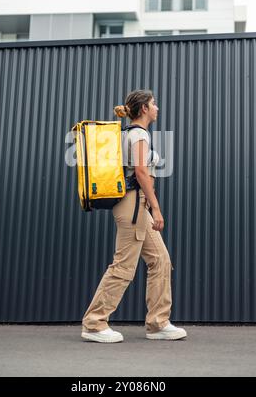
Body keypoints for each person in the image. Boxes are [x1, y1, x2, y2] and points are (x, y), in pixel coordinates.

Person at [81, 89, 187, 343]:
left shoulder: (128, 133)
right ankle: (94, 323)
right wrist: (156, 208)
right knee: (124, 265)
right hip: (134, 205)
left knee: (160, 260)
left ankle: (158, 323)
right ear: (144, 110)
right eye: (153, 104)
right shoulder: (139, 134)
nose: (157, 107)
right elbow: (141, 172)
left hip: (137, 205)